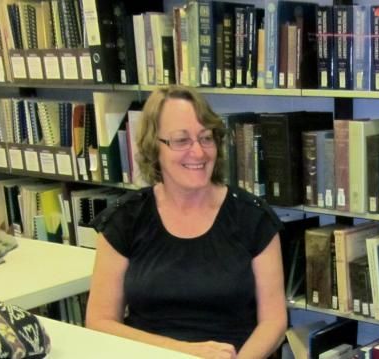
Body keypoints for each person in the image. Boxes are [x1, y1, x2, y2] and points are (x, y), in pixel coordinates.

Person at [86, 85, 287, 359]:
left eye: (206, 138)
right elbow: (99, 322)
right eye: (181, 140)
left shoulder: (253, 218)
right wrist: (186, 352)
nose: (198, 152)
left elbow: (274, 323)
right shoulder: (125, 219)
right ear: (153, 147)